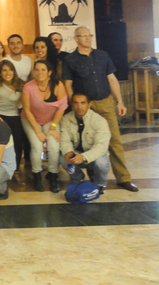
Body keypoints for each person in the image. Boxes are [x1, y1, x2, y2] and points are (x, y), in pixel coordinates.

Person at [62, 26, 138, 192]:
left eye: (89, 35)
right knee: (88, 141)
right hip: (85, 106)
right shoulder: (70, 60)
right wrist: (75, 104)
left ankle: (124, 178)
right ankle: (94, 179)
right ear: (76, 38)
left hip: (105, 102)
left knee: (115, 140)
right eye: (83, 36)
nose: (88, 38)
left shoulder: (102, 55)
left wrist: (119, 101)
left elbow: (112, 79)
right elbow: (67, 84)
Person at [21, 60, 68, 193]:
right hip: (31, 120)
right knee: (37, 146)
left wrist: (52, 128)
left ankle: (53, 176)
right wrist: (38, 131)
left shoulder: (58, 85)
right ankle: (37, 176)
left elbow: (61, 108)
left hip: (51, 120)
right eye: (37, 69)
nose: (39, 72)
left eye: (43, 70)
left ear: (49, 72)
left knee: (54, 147)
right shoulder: (28, 87)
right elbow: (27, 110)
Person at [59, 93, 111, 192]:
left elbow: (101, 146)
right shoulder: (65, 119)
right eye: (76, 103)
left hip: (93, 155)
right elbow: (64, 140)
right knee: (63, 158)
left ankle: (100, 184)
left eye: (83, 103)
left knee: (102, 163)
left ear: (89, 104)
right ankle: (77, 179)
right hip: (76, 153)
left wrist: (83, 157)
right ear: (72, 105)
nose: (79, 106)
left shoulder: (99, 120)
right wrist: (68, 153)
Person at [0, 60, 26, 185]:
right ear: (0, 73)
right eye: (4, 70)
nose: (7, 73)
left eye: (10, 69)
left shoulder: (21, 85)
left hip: (13, 115)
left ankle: (15, 170)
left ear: (14, 71)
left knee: (17, 143)